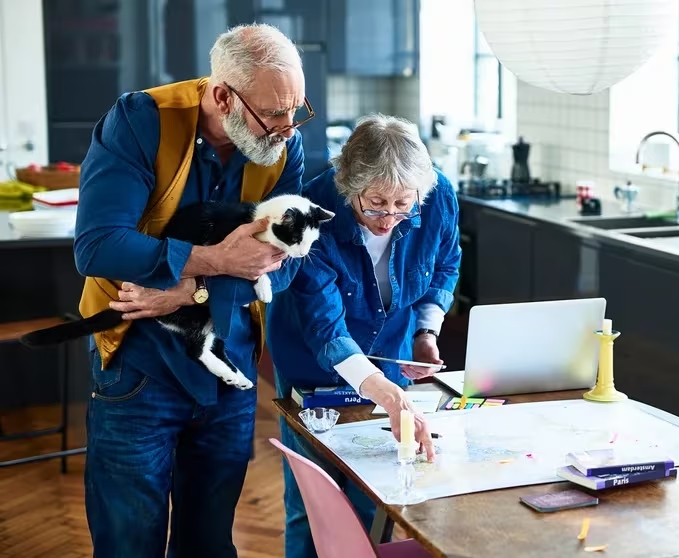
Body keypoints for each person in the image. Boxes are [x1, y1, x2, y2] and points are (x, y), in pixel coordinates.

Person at [73, 24, 312, 557]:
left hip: (229, 376)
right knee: (129, 542)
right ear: (223, 95)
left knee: (209, 542)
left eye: (297, 109)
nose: (289, 128)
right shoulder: (140, 121)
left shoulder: (282, 142)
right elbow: (98, 246)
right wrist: (220, 260)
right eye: (274, 113)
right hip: (139, 366)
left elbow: (288, 265)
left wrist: (190, 287)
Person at [266, 113, 462, 557]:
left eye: (402, 205)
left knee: (376, 492)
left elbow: (445, 264)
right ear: (348, 185)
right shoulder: (310, 211)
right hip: (313, 362)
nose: (389, 217)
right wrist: (389, 396)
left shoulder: (436, 196)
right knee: (314, 501)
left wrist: (425, 333)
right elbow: (324, 323)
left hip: (393, 350)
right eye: (375, 204)